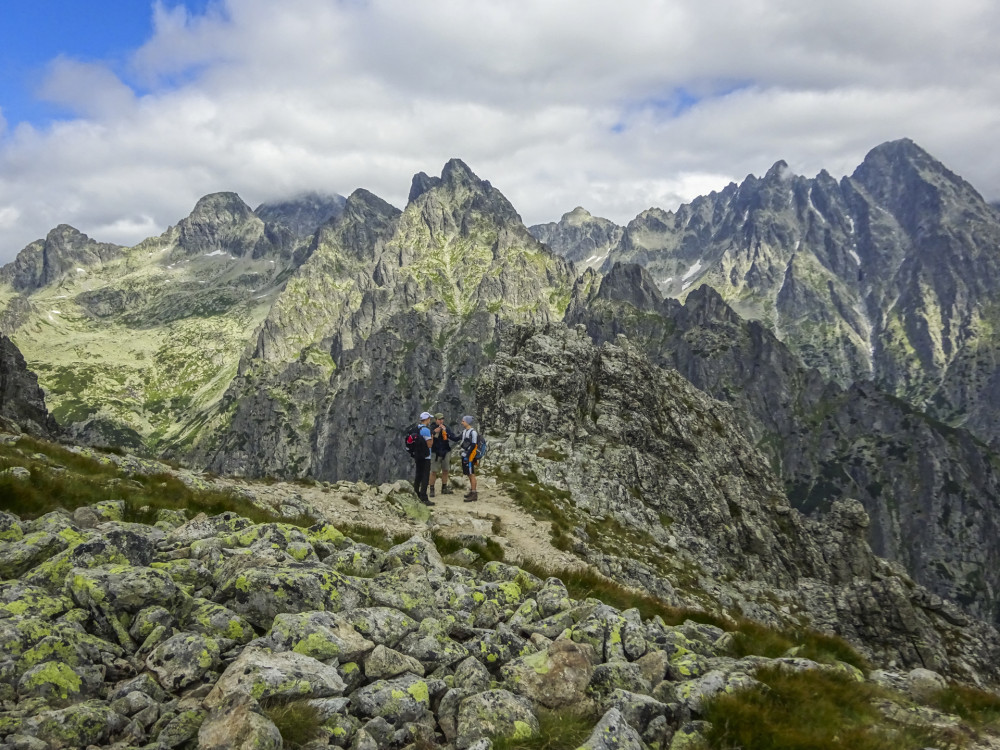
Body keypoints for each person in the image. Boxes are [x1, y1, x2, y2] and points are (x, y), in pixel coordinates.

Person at [428, 412, 454, 497]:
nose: (441, 421)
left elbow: (453, 437)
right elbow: (429, 435)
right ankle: (432, 489)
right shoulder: (432, 427)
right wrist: (435, 432)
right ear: (436, 420)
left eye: (442, 419)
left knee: (445, 470)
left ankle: (444, 488)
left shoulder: (446, 427)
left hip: (445, 451)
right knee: (433, 471)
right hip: (435, 452)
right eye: (439, 419)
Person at [412, 411, 434, 506]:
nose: (430, 420)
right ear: (426, 419)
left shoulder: (416, 428)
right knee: (425, 477)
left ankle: (415, 493)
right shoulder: (426, 430)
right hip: (426, 456)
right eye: (429, 418)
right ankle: (424, 497)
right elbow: (429, 445)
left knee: (418, 475)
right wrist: (432, 437)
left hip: (418, 456)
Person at [460, 415, 480, 503]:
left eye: (463, 421)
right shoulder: (465, 431)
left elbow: (473, 445)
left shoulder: (473, 432)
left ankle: (474, 493)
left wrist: (468, 456)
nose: (462, 422)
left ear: (467, 422)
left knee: (471, 474)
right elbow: (457, 438)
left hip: (470, 457)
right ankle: (472, 491)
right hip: (465, 455)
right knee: (469, 473)